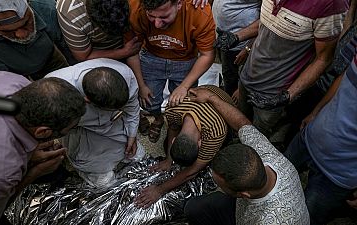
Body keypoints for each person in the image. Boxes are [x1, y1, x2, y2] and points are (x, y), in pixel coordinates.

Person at [0, 72, 86, 225]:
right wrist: (33, 173)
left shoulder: (8, 79)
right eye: (70, 129)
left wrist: (28, 154)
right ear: (43, 132)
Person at [183, 86, 309, 225]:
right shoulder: (268, 155)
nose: (217, 187)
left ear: (243, 195)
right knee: (194, 208)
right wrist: (211, 98)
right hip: (241, 211)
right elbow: (242, 124)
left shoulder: (272, 220)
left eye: (219, 185)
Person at [237, 0, 349, 145]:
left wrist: (288, 95)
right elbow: (271, 22)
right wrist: (239, 37)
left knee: (256, 138)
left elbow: (323, 59)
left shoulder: (331, 4)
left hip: (273, 94)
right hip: (248, 77)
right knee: (240, 122)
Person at [284, 33, 357, 224]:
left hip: (337, 174)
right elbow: (344, 78)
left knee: (304, 220)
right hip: (310, 138)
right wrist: (316, 111)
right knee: (278, 178)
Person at [126, 0, 216, 143]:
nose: (157, 24)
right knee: (149, 101)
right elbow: (131, 51)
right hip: (151, 57)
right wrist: (141, 85)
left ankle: (174, 127)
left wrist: (184, 86)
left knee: (183, 103)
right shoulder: (135, 7)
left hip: (185, 61)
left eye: (164, 17)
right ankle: (158, 118)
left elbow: (207, 55)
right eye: (151, 16)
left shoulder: (199, 11)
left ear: (179, 4)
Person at [46, 58, 143, 188]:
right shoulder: (55, 92)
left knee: (137, 155)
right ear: (87, 101)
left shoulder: (125, 74)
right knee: (101, 178)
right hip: (79, 130)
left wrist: (132, 136)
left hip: (112, 122)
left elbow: (132, 109)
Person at [134, 85, 232, 208]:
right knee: (167, 147)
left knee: (214, 161)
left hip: (222, 102)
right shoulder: (173, 107)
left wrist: (160, 190)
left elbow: (193, 171)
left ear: (201, 143)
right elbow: (173, 128)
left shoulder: (216, 132)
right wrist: (168, 159)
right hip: (196, 104)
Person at [0, 0, 74, 79]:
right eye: (7, 31)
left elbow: (68, 47)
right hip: (11, 73)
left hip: (48, 56)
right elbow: (3, 82)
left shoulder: (44, 6)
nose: (21, 34)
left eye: (26, 23)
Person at [56, 0, 142, 62]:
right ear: (90, 17)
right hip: (100, 57)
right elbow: (83, 56)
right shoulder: (70, 13)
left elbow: (130, 39)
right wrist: (122, 53)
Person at [212, 0, 261, 96]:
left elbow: (268, 21)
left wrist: (248, 48)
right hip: (224, 40)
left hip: (241, 46)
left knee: (240, 86)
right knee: (228, 75)